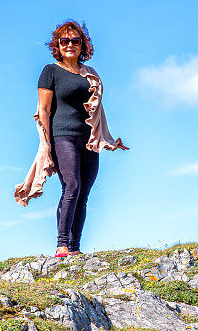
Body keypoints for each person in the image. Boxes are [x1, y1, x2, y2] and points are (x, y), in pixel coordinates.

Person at [17, 19, 128, 258]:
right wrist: (46, 142)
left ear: (82, 45)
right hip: (62, 136)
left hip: (89, 140)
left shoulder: (91, 75)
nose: (70, 45)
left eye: (75, 41)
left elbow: (97, 110)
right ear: (57, 45)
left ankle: (75, 247)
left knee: (84, 193)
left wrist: (105, 138)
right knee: (72, 186)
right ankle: (62, 244)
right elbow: (44, 109)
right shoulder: (51, 71)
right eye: (64, 41)